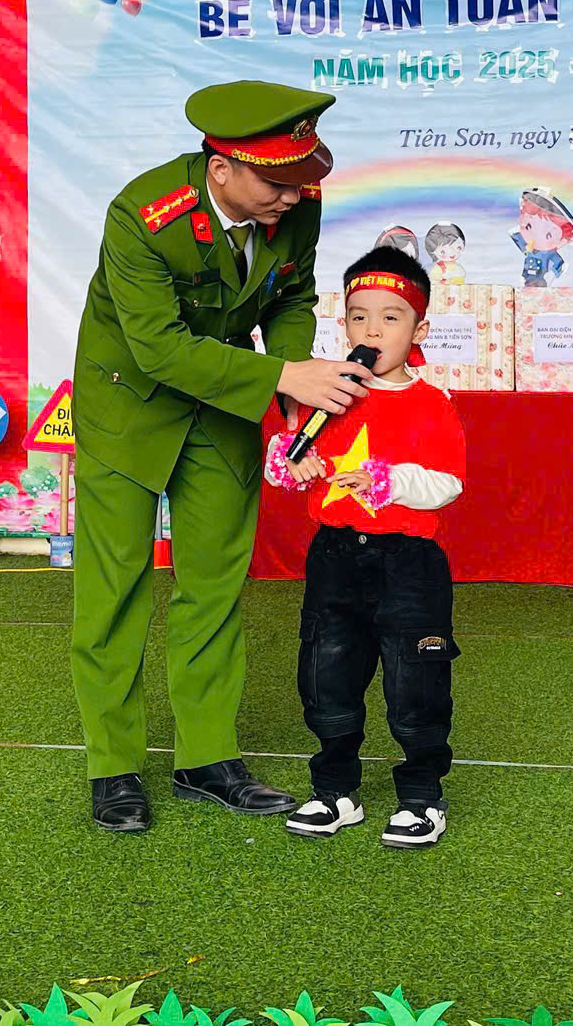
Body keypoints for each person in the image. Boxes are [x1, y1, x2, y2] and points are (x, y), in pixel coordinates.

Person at [71, 80, 376, 834]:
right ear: (221, 170)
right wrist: (282, 378)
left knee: (213, 585)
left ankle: (206, 759)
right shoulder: (142, 216)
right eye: (277, 184)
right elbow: (159, 348)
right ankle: (114, 766)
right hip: (131, 405)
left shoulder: (293, 203)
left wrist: (297, 392)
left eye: (301, 181)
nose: (293, 197)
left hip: (224, 406)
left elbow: (291, 297)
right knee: (115, 588)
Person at [265, 246, 468, 849]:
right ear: (344, 323)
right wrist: (292, 463)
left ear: (419, 329)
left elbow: (448, 483)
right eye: (359, 316)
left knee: (415, 680)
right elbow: (296, 456)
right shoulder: (327, 394)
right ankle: (335, 790)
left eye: (390, 317)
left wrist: (391, 480)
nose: (372, 330)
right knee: (326, 670)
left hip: (409, 564)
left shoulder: (433, 403)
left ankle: (421, 797)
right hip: (335, 556)